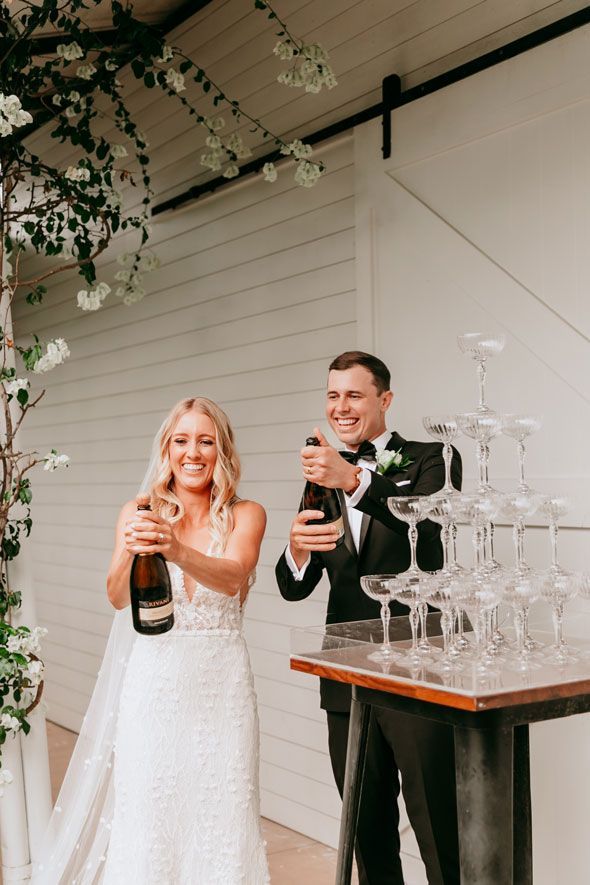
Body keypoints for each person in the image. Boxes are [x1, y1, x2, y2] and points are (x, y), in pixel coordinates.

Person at [33, 397, 269, 885]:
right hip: (154, 688)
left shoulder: (247, 513)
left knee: (223, 812)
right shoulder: (138, 510)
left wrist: (175, 548)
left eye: (206, 441)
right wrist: (133, 549)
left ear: (222, 450)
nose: (193, 452)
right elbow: (118, 597)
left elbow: (232, 577)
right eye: (182, 440)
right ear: (167, 449)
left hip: (221, 691)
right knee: (151, 816)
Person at [275, 351, 462, 885]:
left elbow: (427, 530)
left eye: (354, 395)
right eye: (333, 395)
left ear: (385, 399)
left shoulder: (435, 457)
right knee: (367, 831)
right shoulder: (322, 476)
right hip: (345, 677)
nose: (341, 407)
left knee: (437, 825)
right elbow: (294, 587)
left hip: (418, 668)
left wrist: (354, 478)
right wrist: (296, 548)